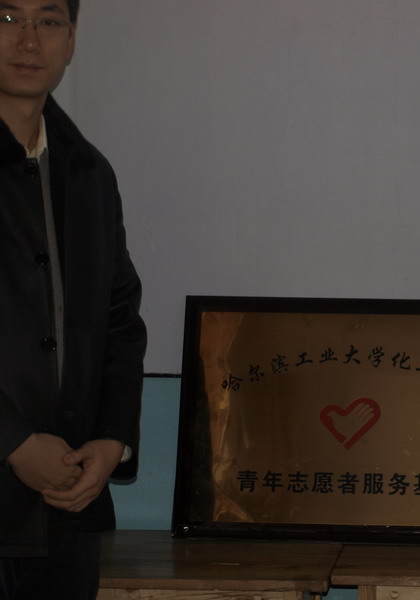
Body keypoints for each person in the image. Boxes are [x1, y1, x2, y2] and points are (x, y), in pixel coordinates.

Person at [0, 1, 146, 599]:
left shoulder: (89, 172)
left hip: (67, 511)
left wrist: (111, 441)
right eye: (7, 18)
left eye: (49, 20)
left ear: (72, 38)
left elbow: (119, 320)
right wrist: (11, 441)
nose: (29, 41)